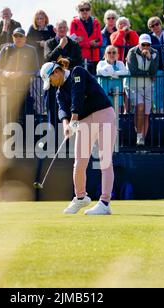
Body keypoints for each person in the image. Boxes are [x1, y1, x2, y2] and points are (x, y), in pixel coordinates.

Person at [40, 59, 116, 215]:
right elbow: (62, 110)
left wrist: (74, 119)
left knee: (105, 161)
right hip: (84, 122)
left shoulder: (77, 72)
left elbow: (78, 94)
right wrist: (66, 125)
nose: (52, 84)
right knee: (79, 163)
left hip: (104, 114)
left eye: (51, 80)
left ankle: (104, 203)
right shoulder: (60, 92)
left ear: (56, 72)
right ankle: (81, 197)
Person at [0, 28, 39, 123]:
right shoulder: (6, 49)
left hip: (26, 90)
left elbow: (36, 70)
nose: (18, 38)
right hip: (8, 90)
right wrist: (6, 73)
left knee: (27, 119)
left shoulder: (31, 50)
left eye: (20, 36)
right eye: (15, 36)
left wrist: (22, 73)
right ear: (12, 37)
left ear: (25, 38)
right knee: (9, 119)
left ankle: (25, 137)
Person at [44, 20, 83, 125]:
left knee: (70, 113)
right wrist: (60, 47)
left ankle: (70, 140)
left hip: (69, 85)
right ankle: (53, 140)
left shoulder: (74, 44)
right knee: (52, 114)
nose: (62, 29)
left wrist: (65, 61)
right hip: (53, 84)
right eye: (60, 27)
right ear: (55, 29)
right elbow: (47, 60)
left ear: (67, 29)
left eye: (64, 27)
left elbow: (79, 62)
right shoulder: (49, 43)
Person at [126, 34, 159, 146]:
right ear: (139, 44)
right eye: (143, 44)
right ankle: (139, 136)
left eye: (147, 44)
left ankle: (142, 140)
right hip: (134, 86)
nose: (145, 46)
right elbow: (134, 71)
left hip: (148, 87)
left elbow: (154, 71)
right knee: (140, 107)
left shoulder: (154, 53)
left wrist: (150, 58)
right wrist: (148, 74)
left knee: (146, 113)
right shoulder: (132, 52)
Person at [70, 1, 102, 74]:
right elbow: (73, 41)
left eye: (87, 9)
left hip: (94, 57)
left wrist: (83, 42)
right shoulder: (74, 23)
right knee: (80, 81)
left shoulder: (96, 22)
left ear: (90, 10)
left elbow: (100, 41)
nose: (85, 11)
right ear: (78, 11)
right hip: (80, 57)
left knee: (93, 81)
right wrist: (89, 44)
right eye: (82, 10)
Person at [97, 45, 128, 113]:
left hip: (117, 94)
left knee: (117, 116)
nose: (111, 54)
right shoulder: (101, 63)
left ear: (117, 54)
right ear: (105, 55)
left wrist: (111, 73)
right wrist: (116, 74)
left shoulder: (120, 63)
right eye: (109, 52)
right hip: (104, 95)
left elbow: (125, 72)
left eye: (114, 52)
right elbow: (102, 72)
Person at [148, 16, 164, 114]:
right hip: (157, 68)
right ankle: (158, 112)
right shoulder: (149, 38)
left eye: (157, 24)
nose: (155, 27)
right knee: (157, 91)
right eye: (152, 26)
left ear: (160, 24)